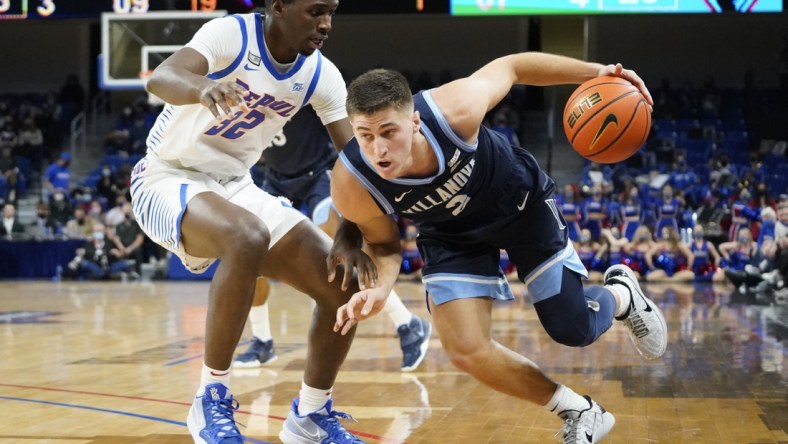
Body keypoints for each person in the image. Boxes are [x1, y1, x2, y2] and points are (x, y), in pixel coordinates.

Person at [329, 53, 667, 443]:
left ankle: (622, 294)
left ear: (415, 121)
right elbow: (385, 243)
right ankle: (580, 411)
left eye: (388, 132)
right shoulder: (352, 182)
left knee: (573, 329)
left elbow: (513, 66)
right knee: (465, 350)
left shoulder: (454, 110)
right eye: (365, 135)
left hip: (520, 205)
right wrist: (380, 288)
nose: (377, 149)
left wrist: (598, 73)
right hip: (450, 234)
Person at [131, 2, 367, 443]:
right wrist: (202, 88)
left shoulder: (321, 74)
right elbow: (163, 76)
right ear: (278, 7)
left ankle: (310, 416)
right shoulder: (231, 35)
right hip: (166, 176)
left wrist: (350, 231)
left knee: (342, 284)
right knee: (246, 235)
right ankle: (210, 397)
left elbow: (355, 162)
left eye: (332, 11)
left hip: (235, 186)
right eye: (316, 11)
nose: (326, 24)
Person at [233, 105, 431, 372]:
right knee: (253, 252)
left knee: (338, 252)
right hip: (277, 179)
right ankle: (262, 340)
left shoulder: (302, 82)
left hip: (319, 174)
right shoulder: (245, 91)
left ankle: (408, 323)